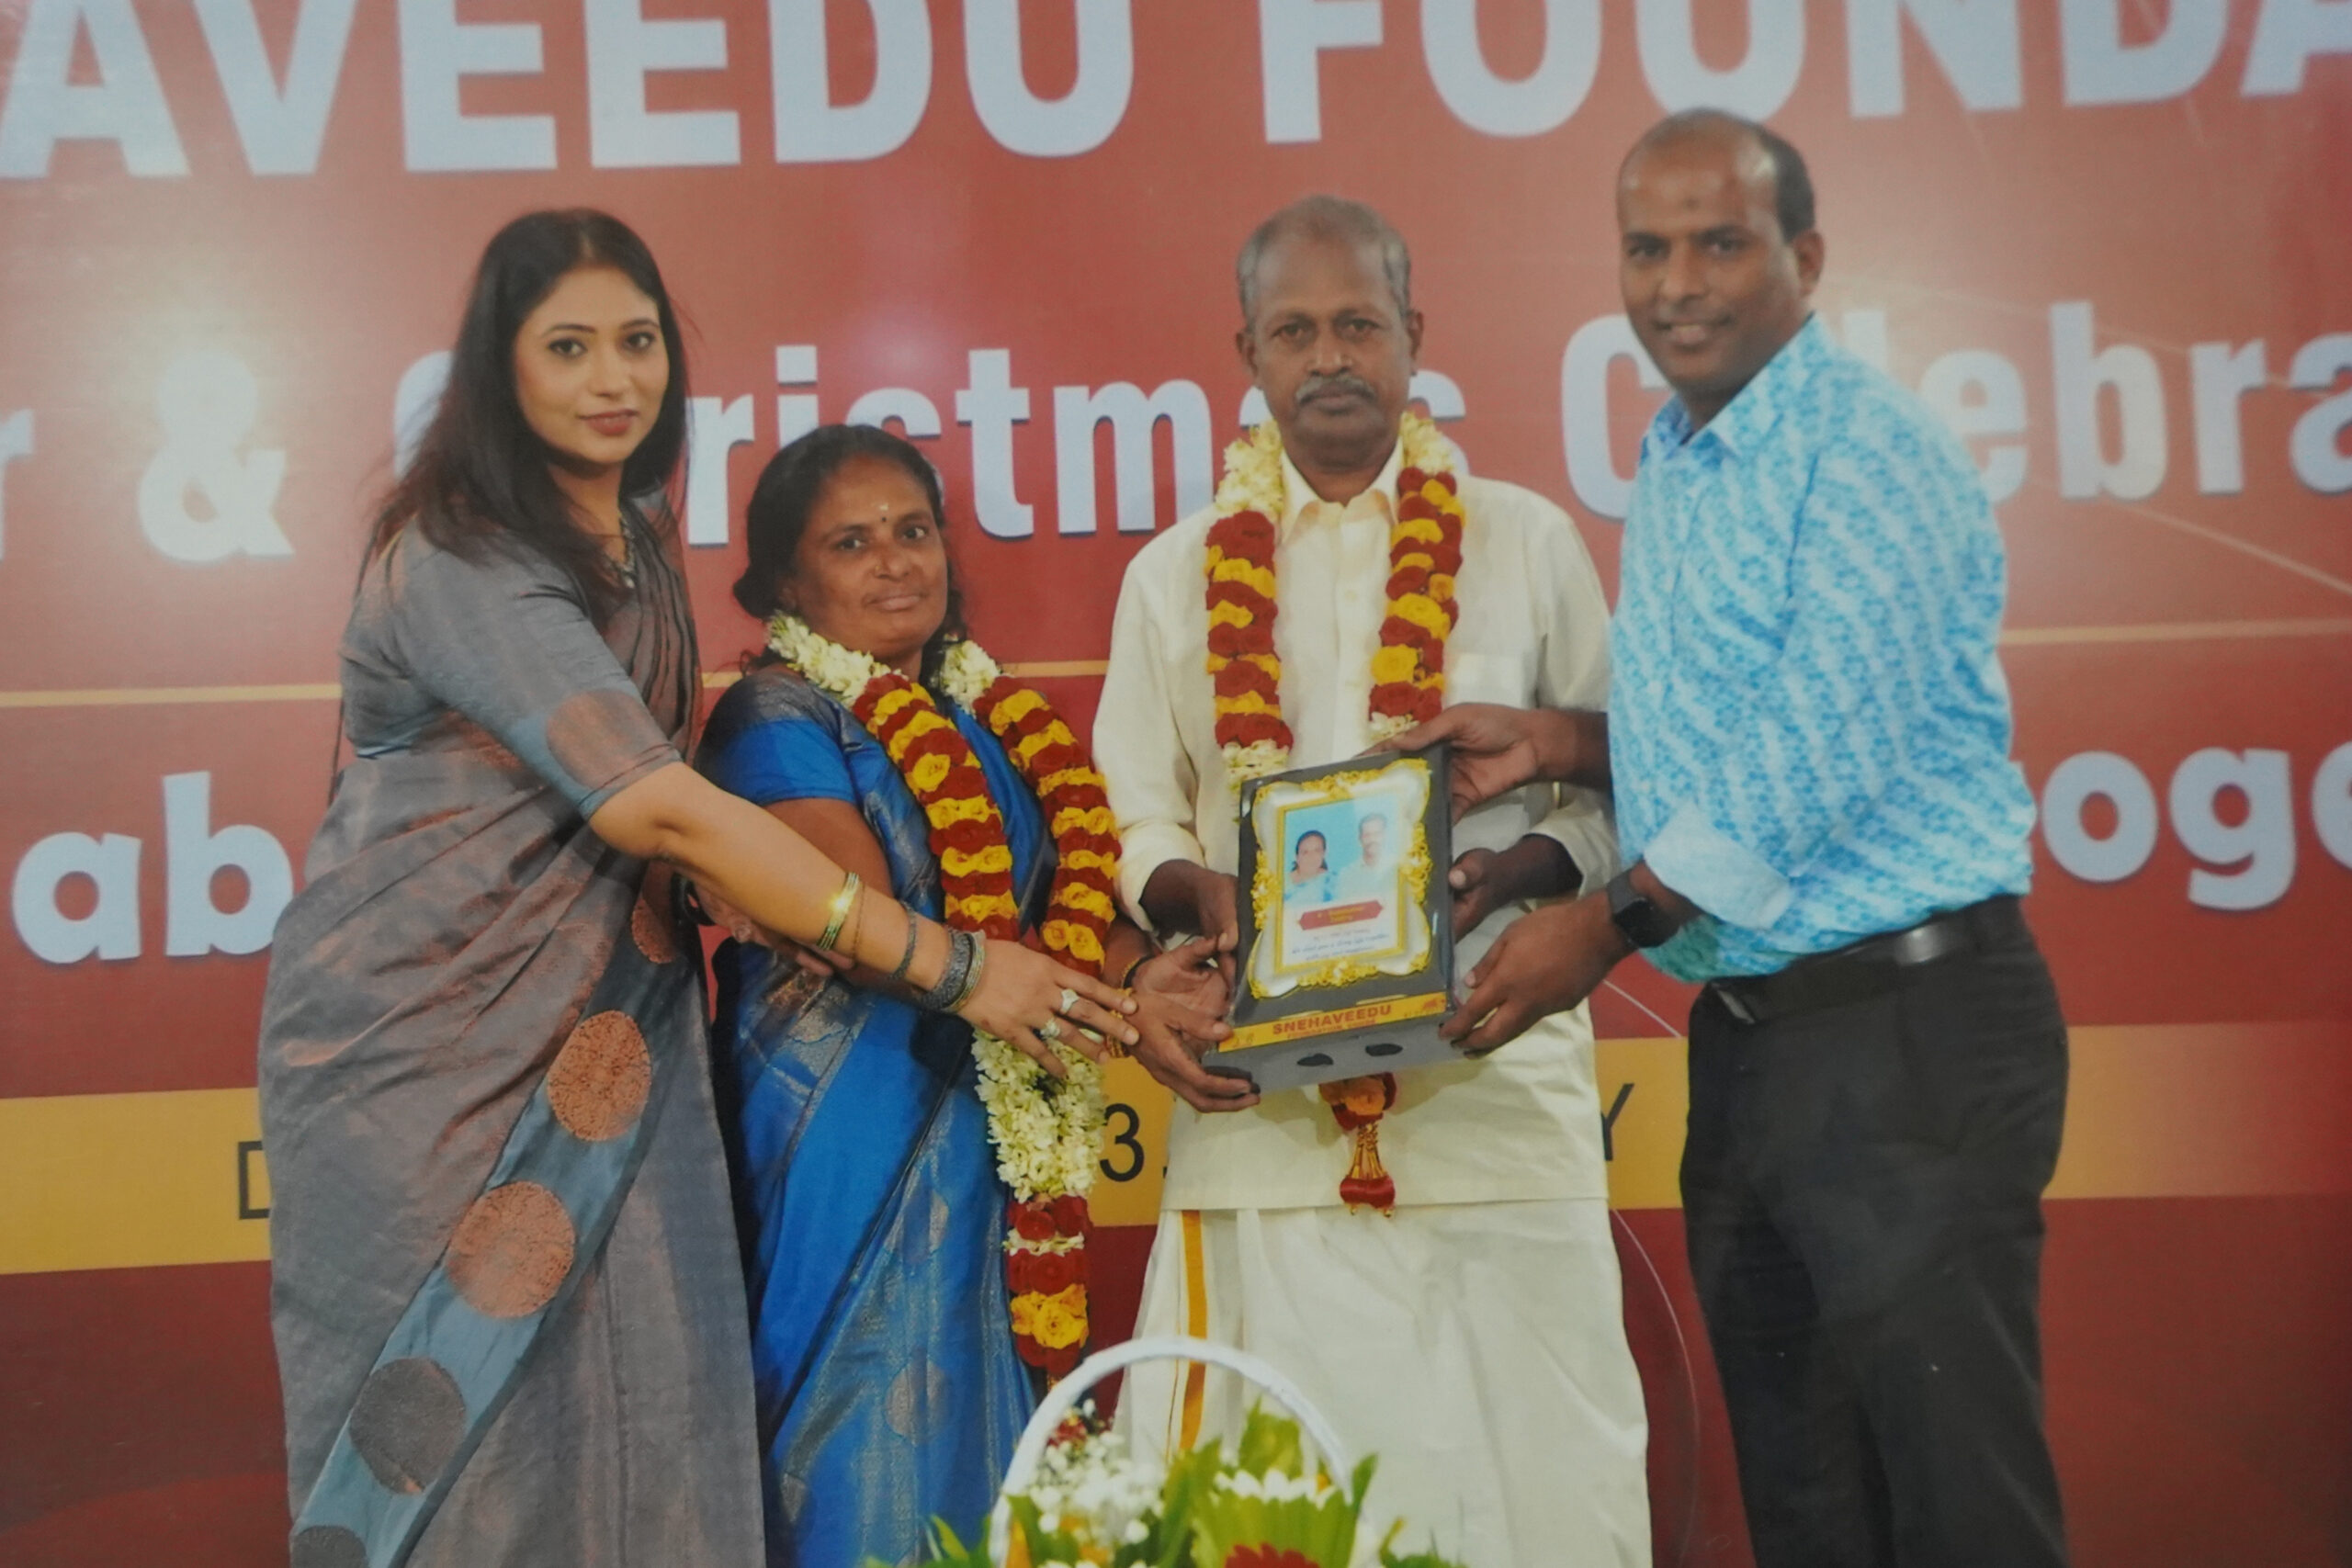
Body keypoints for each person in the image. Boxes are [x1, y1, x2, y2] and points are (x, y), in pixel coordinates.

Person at [256, 211, 1135, 1568]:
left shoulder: (634, 540)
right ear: (501, 366)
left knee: (645, 1417)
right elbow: (655, 803)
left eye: (638, 341)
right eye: (568, 347)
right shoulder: (457, 555)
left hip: (617, 1036)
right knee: (468, 1450)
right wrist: (961, 966)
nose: (613, 378)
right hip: (431, 1052)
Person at [1386, 112, 2069, 1568]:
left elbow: (1810, 757)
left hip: (1906, 1032)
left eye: (1719, 242)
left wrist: (1602, 925)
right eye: (1647, 248)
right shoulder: (1684, 453)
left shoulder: (1869, 449)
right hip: (1758, 1043)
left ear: (1804, 258)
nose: (1678, 283)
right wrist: (1559, 746)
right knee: (1809, 1509)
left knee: (1959, 1510)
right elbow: (1716, 723)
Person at [1095, 195, 1649, 1568]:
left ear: (1416, 334)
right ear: (1248, 351)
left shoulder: (1525, 540)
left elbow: (1622, 783)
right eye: (1294, 331)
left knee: (1537, 1500)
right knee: (1270, 1507)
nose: (1329, 356)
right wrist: (1205, 898)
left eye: (1358, 324)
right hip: (1261, 1127)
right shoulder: (1172, 577)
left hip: (1494, 1099)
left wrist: (1506, 873)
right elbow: (1134, 813)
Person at [695, 423, 1228, 1568]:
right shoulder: (774, 717)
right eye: (850, 543)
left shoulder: (987, 718)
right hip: (842, 1133)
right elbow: (852, 917)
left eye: (914, 531)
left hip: (993, 1135)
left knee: (999, 1431)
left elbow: (1063, 909)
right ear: (785, 581)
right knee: (853, 1431)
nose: (895, 562)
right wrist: (1088, 998)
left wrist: (1140, 988)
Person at [1285, 828, 1336, 905]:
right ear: (1297, 857)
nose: (1311, 856)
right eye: (1305, 852)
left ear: (1324, 854)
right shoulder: (1283, 885)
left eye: (1317, 851)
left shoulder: (1331, 881)